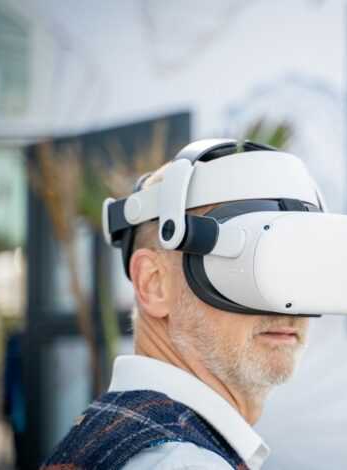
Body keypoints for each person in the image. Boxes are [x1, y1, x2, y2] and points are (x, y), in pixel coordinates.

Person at [42, 157, 310, 470]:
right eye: (246, 264)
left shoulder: (106, 429)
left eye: (296, 269)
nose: (282, 302)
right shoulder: (181, 462)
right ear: (154, 283)